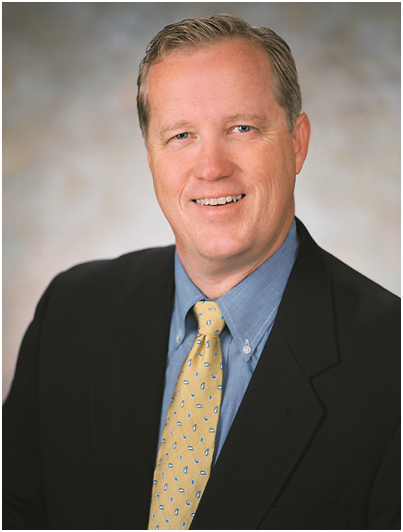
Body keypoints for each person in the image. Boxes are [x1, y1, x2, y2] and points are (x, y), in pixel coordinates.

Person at [3, 14, 400, 531]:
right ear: (150, 155)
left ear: (297, 142)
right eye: (181, 135)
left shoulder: (390, 359)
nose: (211, 167)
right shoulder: (71, 313)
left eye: (242, 128)